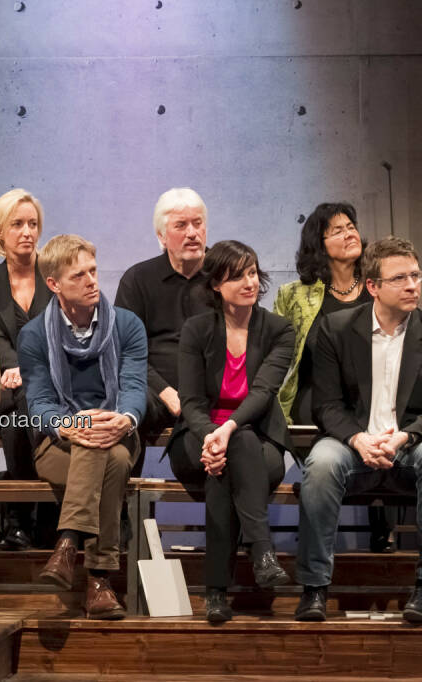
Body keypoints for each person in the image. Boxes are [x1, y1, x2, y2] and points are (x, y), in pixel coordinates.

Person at [18, 235, 147, 620]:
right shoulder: (34, 335)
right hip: (58, 445)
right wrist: (67, 426)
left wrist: (124, 419)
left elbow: (135, 386)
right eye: (79, 275)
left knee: (109, 449)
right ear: (54, 284)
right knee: (112, 461)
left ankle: (67, 544)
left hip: (119, 431)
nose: (92, 280)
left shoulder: (126, 325)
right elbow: (39, 402)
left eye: (93, 271)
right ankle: (99, 582)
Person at [295, 236, 422, 623]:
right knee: (320, 466)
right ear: (373, 287)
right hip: (352, 440)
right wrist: (358, 438)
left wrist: (404, 435)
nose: (413, 285)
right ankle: (314, 587)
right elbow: (325, 405)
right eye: (400, 278)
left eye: (416, 275)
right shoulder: (336, 328)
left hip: (410, 439)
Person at [167, 241, 294, 623]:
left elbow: (263, 392)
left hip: (259, 439)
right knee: (228, 456)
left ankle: (216, 592)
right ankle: (261, 552)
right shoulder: (197, 329)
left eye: (253, 272)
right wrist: (212, 435)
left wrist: (229, 430)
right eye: (237, 275)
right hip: (197, 437)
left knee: (232, 454)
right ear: (216, 285)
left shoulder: (278, 330)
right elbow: (189, 401)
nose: (249, 282)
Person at [273, 202, 392, 553]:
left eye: (351, 225)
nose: (350, 232)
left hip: (373, 397)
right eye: (337, 230)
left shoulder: (379, 287)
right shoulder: (294, 295)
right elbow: (279, 356)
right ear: (318, 243)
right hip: (316, 398)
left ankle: (379, 516)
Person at [0, 189, 54, 551]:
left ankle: (22, 520)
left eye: (33, 224)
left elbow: (65, 329)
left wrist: (30, 368)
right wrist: (14, 366)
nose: (27, 232)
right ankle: (31, 517)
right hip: (7, 378)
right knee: (14, 404)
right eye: (17, 224)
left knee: (26, 398)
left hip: (54, 374)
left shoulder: (55, 272)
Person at [115, 188, 213, 463]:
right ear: (161, 236)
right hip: (155, 391)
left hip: (211, 391)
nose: (192, 233)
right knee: (124, 407)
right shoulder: (138, 279)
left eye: (198, 223)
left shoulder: (226, 274)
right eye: (181, 225)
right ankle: (121, 499)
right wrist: (166, 392)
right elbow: (125, 351)